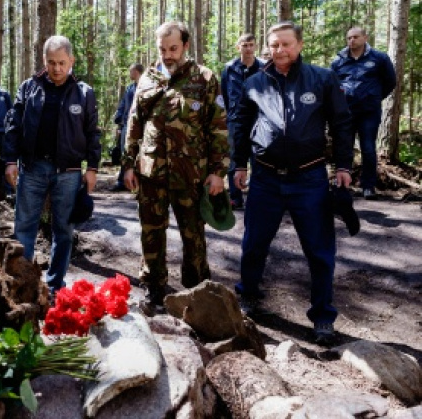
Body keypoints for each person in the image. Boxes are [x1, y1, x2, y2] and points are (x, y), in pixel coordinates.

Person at [230, 21, 354, 345]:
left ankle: (323, 317)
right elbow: (240, 125)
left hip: (310, 178)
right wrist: (237, 165)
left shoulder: (323, 79)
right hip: (265, 178)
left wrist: (344, 166)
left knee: (319, 250)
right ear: (267, 48)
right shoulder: (254, 83)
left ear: (299, 45)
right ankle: (247, 298)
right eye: (274, 45)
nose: (280, 50)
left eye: (286, 44)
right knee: (254, 244)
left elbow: (342, 123)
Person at [122, 21, 229, 315]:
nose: (168, 54)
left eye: (173, 48)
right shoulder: (147, 79)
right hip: (150, 173)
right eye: (162, 49)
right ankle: (154, 287)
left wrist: (218, 172)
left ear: (185, 46)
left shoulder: (204, 78)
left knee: (193, 234)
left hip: (190, 174)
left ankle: (196, 292)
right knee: (151, 232)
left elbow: (218, 128)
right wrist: (128, 164)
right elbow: (134, 124)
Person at [2, 35, 101, 296]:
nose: (56, 69)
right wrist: (10, 160)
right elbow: (13, 126)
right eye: (51, 63)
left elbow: (92, 132)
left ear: (71, 61)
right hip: (32, 169)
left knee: (64, 231)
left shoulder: (84, 92)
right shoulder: (28, 88)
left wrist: (92, 168)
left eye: (61, 63)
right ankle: (23, 285)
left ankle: (55, 285)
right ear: (44, 61)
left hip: (68, 173)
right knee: (24, 227)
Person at [331, 26, 396, 200]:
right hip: (346, 112)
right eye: (349, 38)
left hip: (369, 112)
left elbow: (390, 81)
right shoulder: (339, 60)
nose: (352, 41)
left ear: (365, 38)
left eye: (355, 37)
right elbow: (332, 85)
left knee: (368, 148)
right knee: (344, 147)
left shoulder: (379, 58)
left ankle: (368, 186)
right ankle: (343, 184)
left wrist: (374, 97)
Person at [220, 33, 263, 209]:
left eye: (251, 45)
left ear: (255, 46)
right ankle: (235, 197)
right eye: (244, 45)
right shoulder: (229, 69)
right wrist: (228, 115)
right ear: (238, 47)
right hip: (235, 120)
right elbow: (223, 94)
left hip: (258, 120)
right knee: (234, 159)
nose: (248, 48)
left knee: (257, 158)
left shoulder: (263, 67)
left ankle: (256, 197)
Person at [111, 63, 144, 191]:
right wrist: (119, 123)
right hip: (126, 125)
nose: (130, 74)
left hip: (140, 127)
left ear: (136, 71)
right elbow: (123, 106)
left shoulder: (146, 87)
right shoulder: (130, 88)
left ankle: (136, 181)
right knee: (124, 152)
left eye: (131, 71)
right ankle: (122, 180)